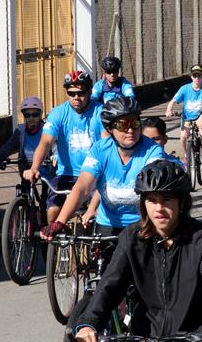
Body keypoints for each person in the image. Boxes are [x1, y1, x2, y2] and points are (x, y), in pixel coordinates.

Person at [73, 162, 202, 342]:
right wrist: (88, 323)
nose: (159, 207)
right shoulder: (132, 238)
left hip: (199, 331)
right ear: (143, 203)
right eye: (152, 200)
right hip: (148, 331)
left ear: (182, 203)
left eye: (167, 199)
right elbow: (110, 284)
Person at [42, 96, 166, 237]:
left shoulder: (153, 151)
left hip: (142, 224)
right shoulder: (100, 150)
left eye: (135, 124)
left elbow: (155, 184)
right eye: (122, 125)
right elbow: (82, 187)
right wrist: (60, 222)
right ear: (109, 128)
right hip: (108, 224)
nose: (130, 130)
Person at [25, 71, 105, 223]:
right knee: (52, 212)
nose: (76, 98)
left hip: (94, 175)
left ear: (89, 91)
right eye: (71, 93)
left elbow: (107, 144)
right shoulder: (58, 113)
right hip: (66, 174)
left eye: (81, 93)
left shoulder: (101, 112)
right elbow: (45, 142)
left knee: (96, 215)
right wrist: (35, 167)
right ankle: (57, 244)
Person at [0, 96, 52, 179]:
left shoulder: (46, 129)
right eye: (27, 115)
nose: (31, 118)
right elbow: (8, 147)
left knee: (48, 188)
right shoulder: (20, 130)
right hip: (26, 167)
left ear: (40, 115)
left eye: (35, 115)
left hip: (45, 166)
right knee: (25, 188)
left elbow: (55, 145)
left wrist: (56, 155)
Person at [165, 64, 202, 164]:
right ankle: (186, 155)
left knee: (200, 123)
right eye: (195, 76)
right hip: (187, 118)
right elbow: (173, 101)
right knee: (183, 137)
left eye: (199, 76)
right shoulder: (184, 88)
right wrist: (169, 110)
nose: (197, 78)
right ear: (191, 77)